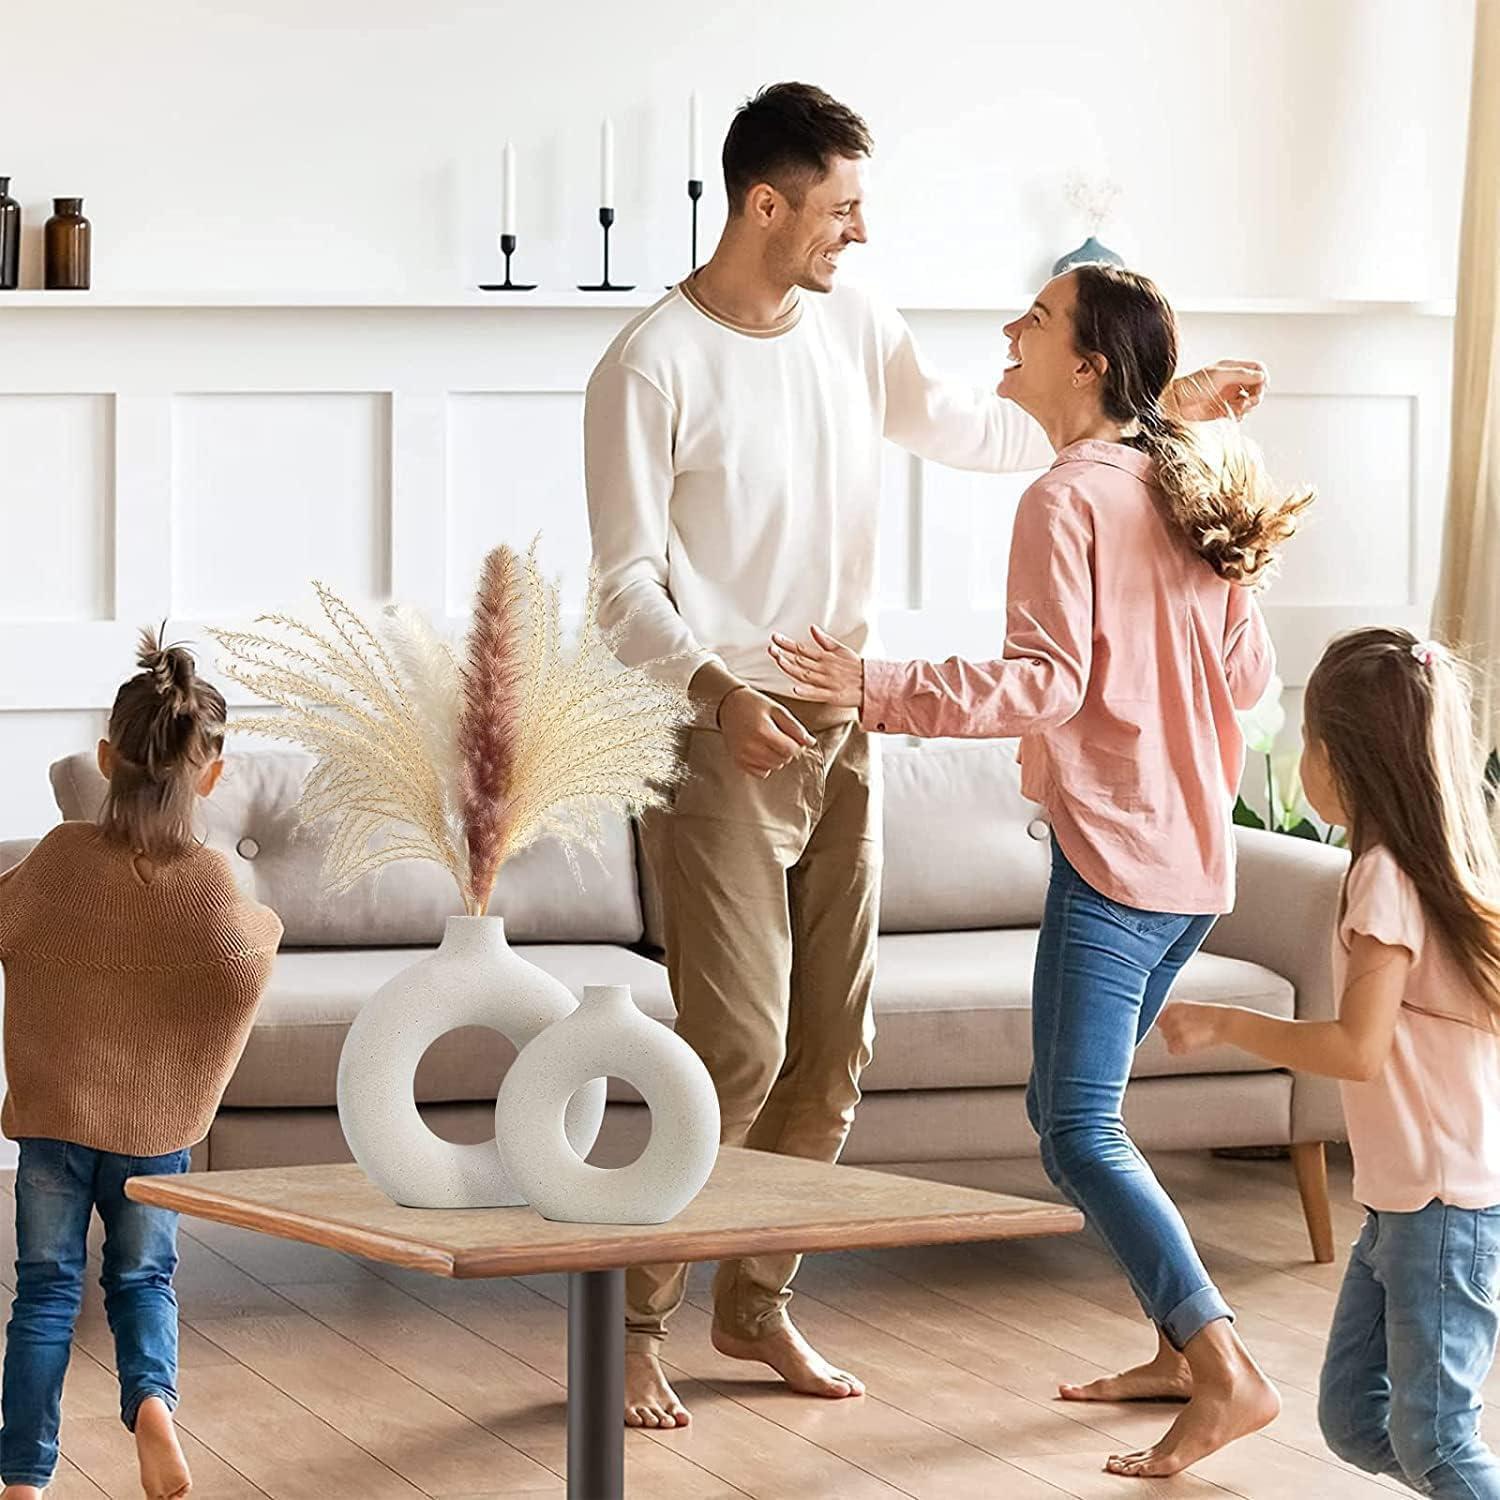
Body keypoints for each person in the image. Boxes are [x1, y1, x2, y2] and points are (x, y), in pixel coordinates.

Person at [585, 81, 1267, 1432]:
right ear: (766, 206)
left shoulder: (853, 320)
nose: (860, 233)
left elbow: (978, 424)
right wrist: (721, 690)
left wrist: (1151, 402)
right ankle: (628, 1320)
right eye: (841, 209)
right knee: (734, 1047)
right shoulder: (649, 363)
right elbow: (623, 591)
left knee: (836, 1050)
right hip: (720, 727)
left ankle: (755, 1297)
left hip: (847, 719)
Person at [771, 261, 1313, 1476]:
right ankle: (1179, 1349)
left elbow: (1046, 687)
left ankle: (1223, 1366)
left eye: (1036, 319)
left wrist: (872, 688)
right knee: (1084, 1116)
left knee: (1074, 1129)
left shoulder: (1064, 500)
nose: (1010, 331)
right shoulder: (1185, 488)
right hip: (1193, 867)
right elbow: (1246, 686)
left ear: (1087, 363)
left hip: (1118, 863)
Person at [1160, 627, 1500, 1498]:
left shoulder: (1388, 879)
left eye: (1307, 741)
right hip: (1403, 1204)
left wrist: (1229, 1025)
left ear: (1342, 757)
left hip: (1440, 1208)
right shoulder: (1417, 868)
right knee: (1355, 1422)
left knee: (1438, 1444)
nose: (1302, 762)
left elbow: (1357, 1048)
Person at [0, 633, 283, 1500]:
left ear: (105, 758)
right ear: (213, 774)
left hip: (52, 1124)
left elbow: (8, 924)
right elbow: (244, 964)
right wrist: (264, 927)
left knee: (43, 1295)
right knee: (142, 1279)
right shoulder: (205, 883)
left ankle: (19, 1479)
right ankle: (153, 1410)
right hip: (152, 1137)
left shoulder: (55, 856)